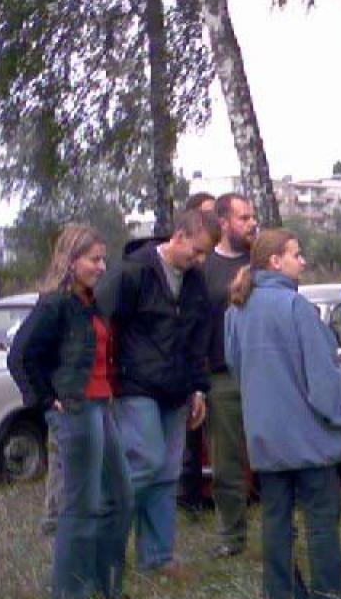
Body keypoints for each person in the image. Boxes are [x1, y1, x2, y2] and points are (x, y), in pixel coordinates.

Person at [225, 229, 341, 599]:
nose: (303, 261)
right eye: (296, 254)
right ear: (274, 261)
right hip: (307, 435)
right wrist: (337, 417)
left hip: (265, 434)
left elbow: (236, 369)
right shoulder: (296, 307)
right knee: (320, 518)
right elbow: (322, 376)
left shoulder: (236, 311)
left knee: (275, 519)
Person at [8, 225, 133, 599]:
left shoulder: (90, 302)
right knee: (82, 504)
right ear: (71, 261)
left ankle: (104, 585)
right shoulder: (55, 305)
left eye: (103, 259)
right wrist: (47, 400)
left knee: (120, 496)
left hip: (102, 405)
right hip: (76, 410)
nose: (101, 266)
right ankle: (71, 598)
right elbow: (20, 356)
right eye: (94, 259)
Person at [95, 209, 219, 577]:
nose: (200, 260)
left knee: (166, 472)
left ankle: (157, 557)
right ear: (178, 236)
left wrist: (199, 388)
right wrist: (104, 378)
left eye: (205, 254)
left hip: (177, 390)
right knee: (144, 463)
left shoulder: (194, 282)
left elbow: (198, 338)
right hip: (136, 386)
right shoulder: (132, 272)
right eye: (196, 251)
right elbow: (97, 321)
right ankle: (104, 548)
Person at [204, 193, 257, 557]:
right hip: (221, 376)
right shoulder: (204, 267)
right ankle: (231, 536)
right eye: (243, 218)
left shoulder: (262, 262)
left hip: (263, 374)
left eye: (252, 217)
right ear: (223, 223)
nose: (251, 224)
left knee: (275, 456)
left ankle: (282, 531)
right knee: (226, 463)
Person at [180, 190, 217, 512]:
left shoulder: (203, 270)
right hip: (183, 368)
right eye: (207, 213)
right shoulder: (185, 270)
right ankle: (188, 494)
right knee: (188, 438)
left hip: (210, 363)